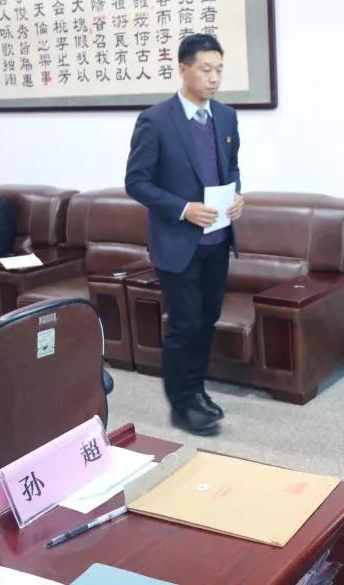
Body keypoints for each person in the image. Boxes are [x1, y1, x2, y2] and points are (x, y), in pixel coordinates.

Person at [125, 33, 244, 437]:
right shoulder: (156, 120)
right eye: (206, 70)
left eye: (219, 70)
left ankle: (196, 390)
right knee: (185, 324)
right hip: (177, 243)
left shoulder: (225, 117)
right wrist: (183, 208)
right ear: (183, 69)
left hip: (217, 240)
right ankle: (182, 403)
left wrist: (236, 195)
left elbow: (231, 167)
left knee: (207, 320)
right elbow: (136, 182)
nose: (214, 78)